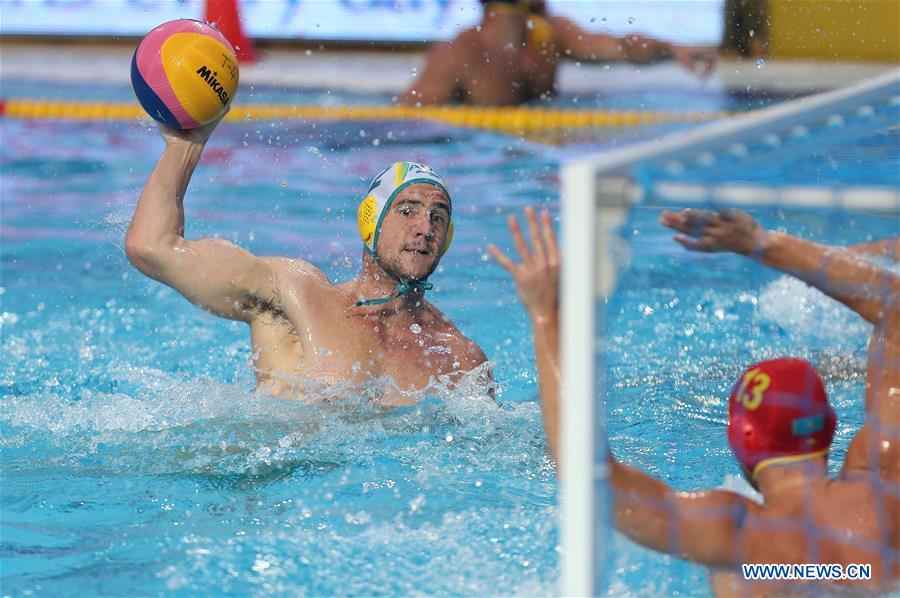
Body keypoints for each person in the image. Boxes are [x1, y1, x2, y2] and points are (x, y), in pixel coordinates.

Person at [489, 206, 898, 594]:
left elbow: (589, 477)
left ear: (742, 437)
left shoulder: (738, 537)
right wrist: (758, 241)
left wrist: (544, 316)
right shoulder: (883, 491)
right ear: (829, 425)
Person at [125, 117, 489, 405]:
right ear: (370, 222)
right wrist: (186, 145)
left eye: (438, 217)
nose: (424, 228)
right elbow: (152, 246)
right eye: (407, 210)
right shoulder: (296, 295)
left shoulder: (462, 361)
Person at [399, 0, 716, 106]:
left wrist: (671, 48)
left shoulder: (550, 34)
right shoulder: (460, 54)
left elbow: (621, 47)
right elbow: (410, 121)